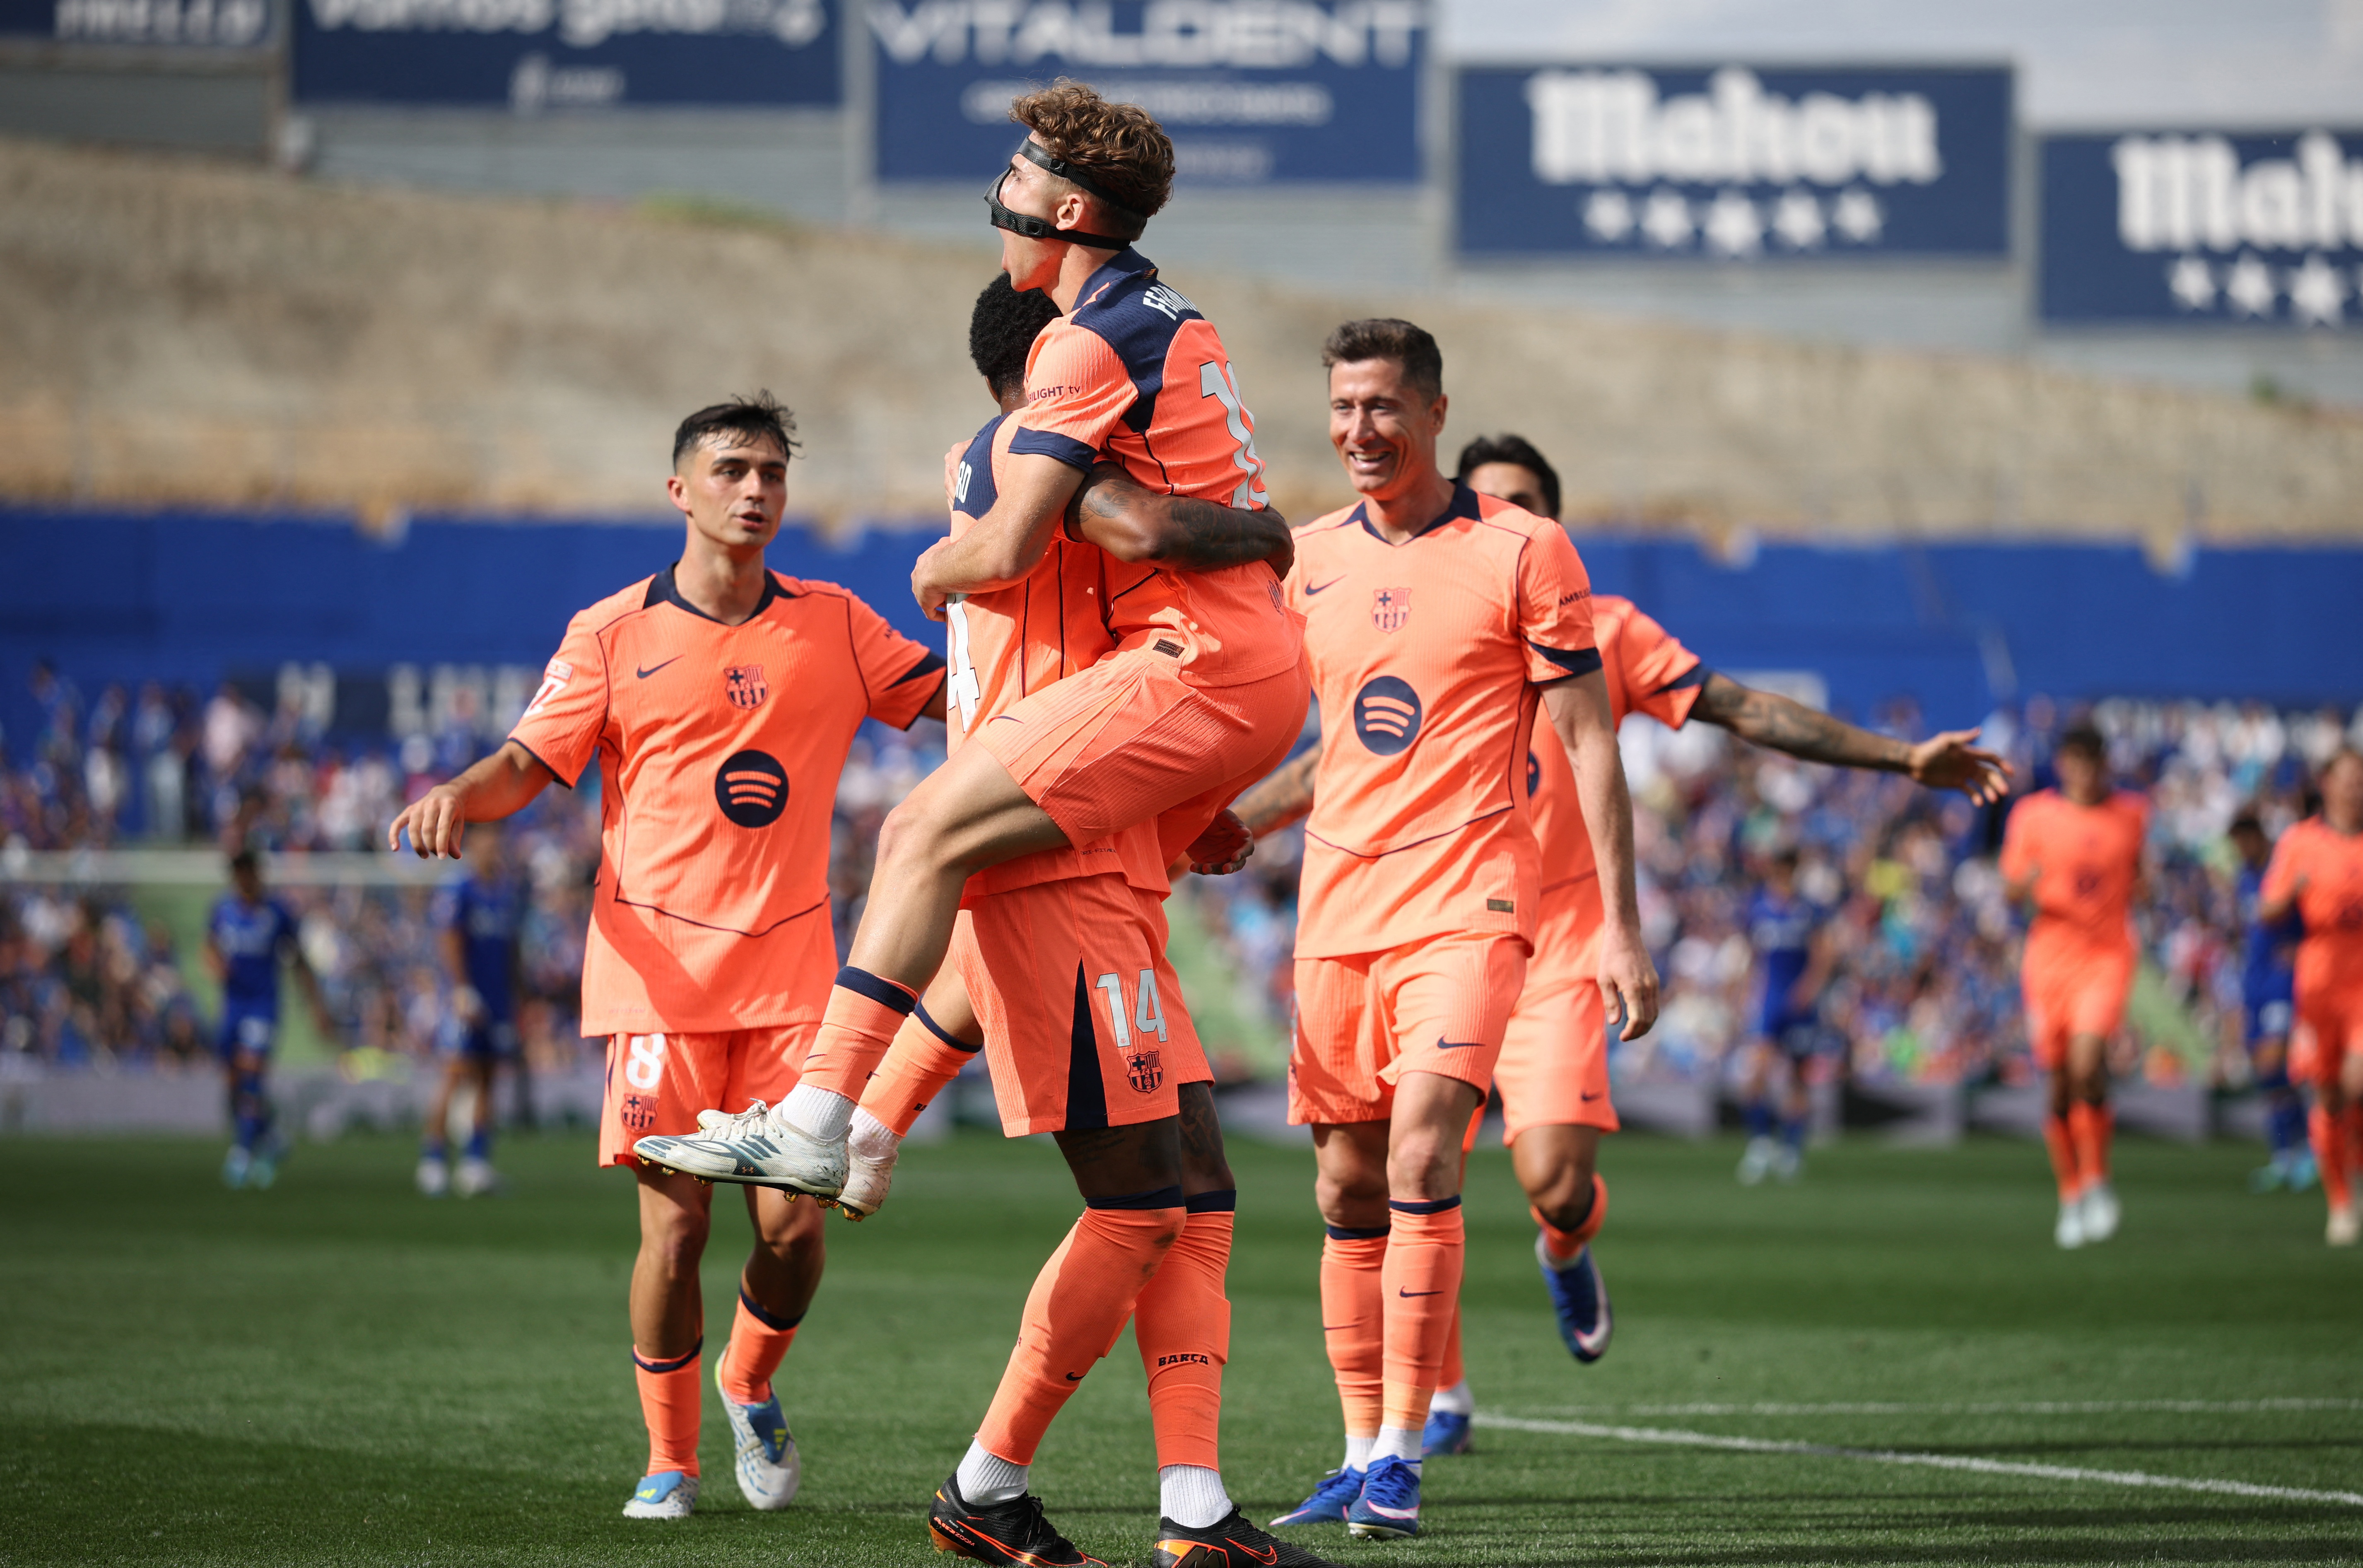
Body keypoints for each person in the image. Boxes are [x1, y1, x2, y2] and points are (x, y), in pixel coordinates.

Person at [1240, 431, 2008, 1458]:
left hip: (1557, 940)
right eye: (1486, 498)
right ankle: (1439, 1399)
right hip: (1434, 924)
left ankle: (1567, 1238)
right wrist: (1220, 823)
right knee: (1409, 1167)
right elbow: (1325, 767)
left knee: (1552, 1176)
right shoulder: (1415, 610)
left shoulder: (1602, 629)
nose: (1497, 517)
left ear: (1547, 526)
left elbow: (1741, 706)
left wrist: (1901, 754)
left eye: (1520, 503)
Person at [665, 82, 1309, 1209]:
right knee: (974, 895)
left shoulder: (1077, 351)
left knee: (925, 828)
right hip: (1249, 669)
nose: (996, 206)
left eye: (1010, 186)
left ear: (1065, 215)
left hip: (1192, 665)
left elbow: (1011, 547)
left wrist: (930, 568)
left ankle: (820, 1121)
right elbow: (1158, 513)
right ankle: (858, 1125)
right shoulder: (1176, 320)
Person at [386, 394, 948, 1520]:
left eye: (773, 474)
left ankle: (749, 1377)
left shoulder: (836, 623)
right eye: (732, 469)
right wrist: (460, 793)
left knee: (792, 1228)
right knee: (674, 1223)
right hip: (659, 985)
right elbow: (523, 760)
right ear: (680, 489)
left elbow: (956, 703)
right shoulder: (609, 633)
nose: (755, 491)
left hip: (797, 985)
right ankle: (671, 1460)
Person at [1224, 319, 1654, 1544]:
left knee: (1422, 1156)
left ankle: (1407, 1446)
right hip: (1338, 911)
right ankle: (1359, 1445)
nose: (1359, 429)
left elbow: (1585, 739)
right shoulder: (1303, 560)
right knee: (1347, 1179)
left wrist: (1621, 928)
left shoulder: (1524, 548)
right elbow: (1323, 753)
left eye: (1381, 407)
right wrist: (1227, 823)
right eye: (1343, 407)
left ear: (1433, 409)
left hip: (1473, 902)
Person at [1999, 724, 2151, 1250]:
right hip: (2050, 960)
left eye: (2093, 761)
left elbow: (2140, 878)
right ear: (2062, 764)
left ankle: (2099, 1180)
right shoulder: (2033, 816)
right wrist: (2024, 886)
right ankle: (2071, 1194)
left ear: (2104, 764)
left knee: (2089, 1064)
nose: (2084, 772)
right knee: (2059, 1084)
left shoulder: (2132, 814)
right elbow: (2012, 889)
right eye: (2075, 761)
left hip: (2106, 956)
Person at [2258, 748, 2363, 1245]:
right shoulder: (2300, 841)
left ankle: (2354, 1173)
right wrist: (2289, 894)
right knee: (2328, 1094)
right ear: (2327, 783)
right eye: (2347, 779)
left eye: (2361, 779)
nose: (2355, 788)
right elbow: (2268, 910)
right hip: (2319, 984)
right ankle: (2340, 1201)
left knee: (2357, 1082)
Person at [205, 847, 333, 1189]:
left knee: (251, 1075)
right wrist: (216, 966)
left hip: (263, 1006)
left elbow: (299, 960)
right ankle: (271, 1137)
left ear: (258, 873)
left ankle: (243, 1152)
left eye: (248, 871)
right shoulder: (222, 910)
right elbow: (210, 948)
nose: (243, 878)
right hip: (233, 1007)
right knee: (234, 1083)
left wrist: (316, 1007)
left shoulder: (277, 913)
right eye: (238, 872)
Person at [418, 820, 525, 1199]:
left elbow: (512, 949)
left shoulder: (506, 892)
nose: (494, 846)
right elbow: (449, 939)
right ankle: (432, 1160)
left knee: (488, 1078)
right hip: (467, 999)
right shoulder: (459, 889)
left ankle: (475, 1163)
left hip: (497, 999)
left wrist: (514, 998)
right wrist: (462, 990)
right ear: (474, 843)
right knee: (455, 1073)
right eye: (488, 839)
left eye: (499, 838)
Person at [1735, 847, 1838, 1186]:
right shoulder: (1759, 908)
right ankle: (1762, 1142)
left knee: (1797, 1077)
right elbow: (1753, 955)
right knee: (1756, 1074)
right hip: (1769, 1002)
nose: (1782, 875)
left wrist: (1808, 990)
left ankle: (1791, 1150)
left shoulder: (1808, 910)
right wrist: (1748, 992)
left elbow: (1824, 955)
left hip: (1799, 1004)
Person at [2232, 811, 2312, 1194]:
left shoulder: (2284, 871)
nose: (2242, 848)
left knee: (2274, 1061)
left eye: (2247, 839)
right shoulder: (2244, 876)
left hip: (2283, 981)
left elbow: (2312, 916)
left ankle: (2306, 1149)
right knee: (2266, 1072)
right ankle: (2286, 1154)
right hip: (2255, 980)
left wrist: (2303, 949)